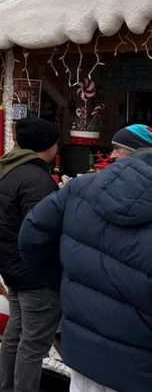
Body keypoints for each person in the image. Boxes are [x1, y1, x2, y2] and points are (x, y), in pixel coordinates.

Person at [20, 147, 152, 392]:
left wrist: (65, 283)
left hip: (83, 353)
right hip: (139, 364)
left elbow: (32, 233)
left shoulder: (80, 188)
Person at [0, 117, 62, 392]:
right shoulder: (37, 179)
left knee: (15, 334)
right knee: (33, 344)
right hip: (35, 274)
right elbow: (41, 230)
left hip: (14, 269)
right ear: (47, 146)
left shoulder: (11, 170)